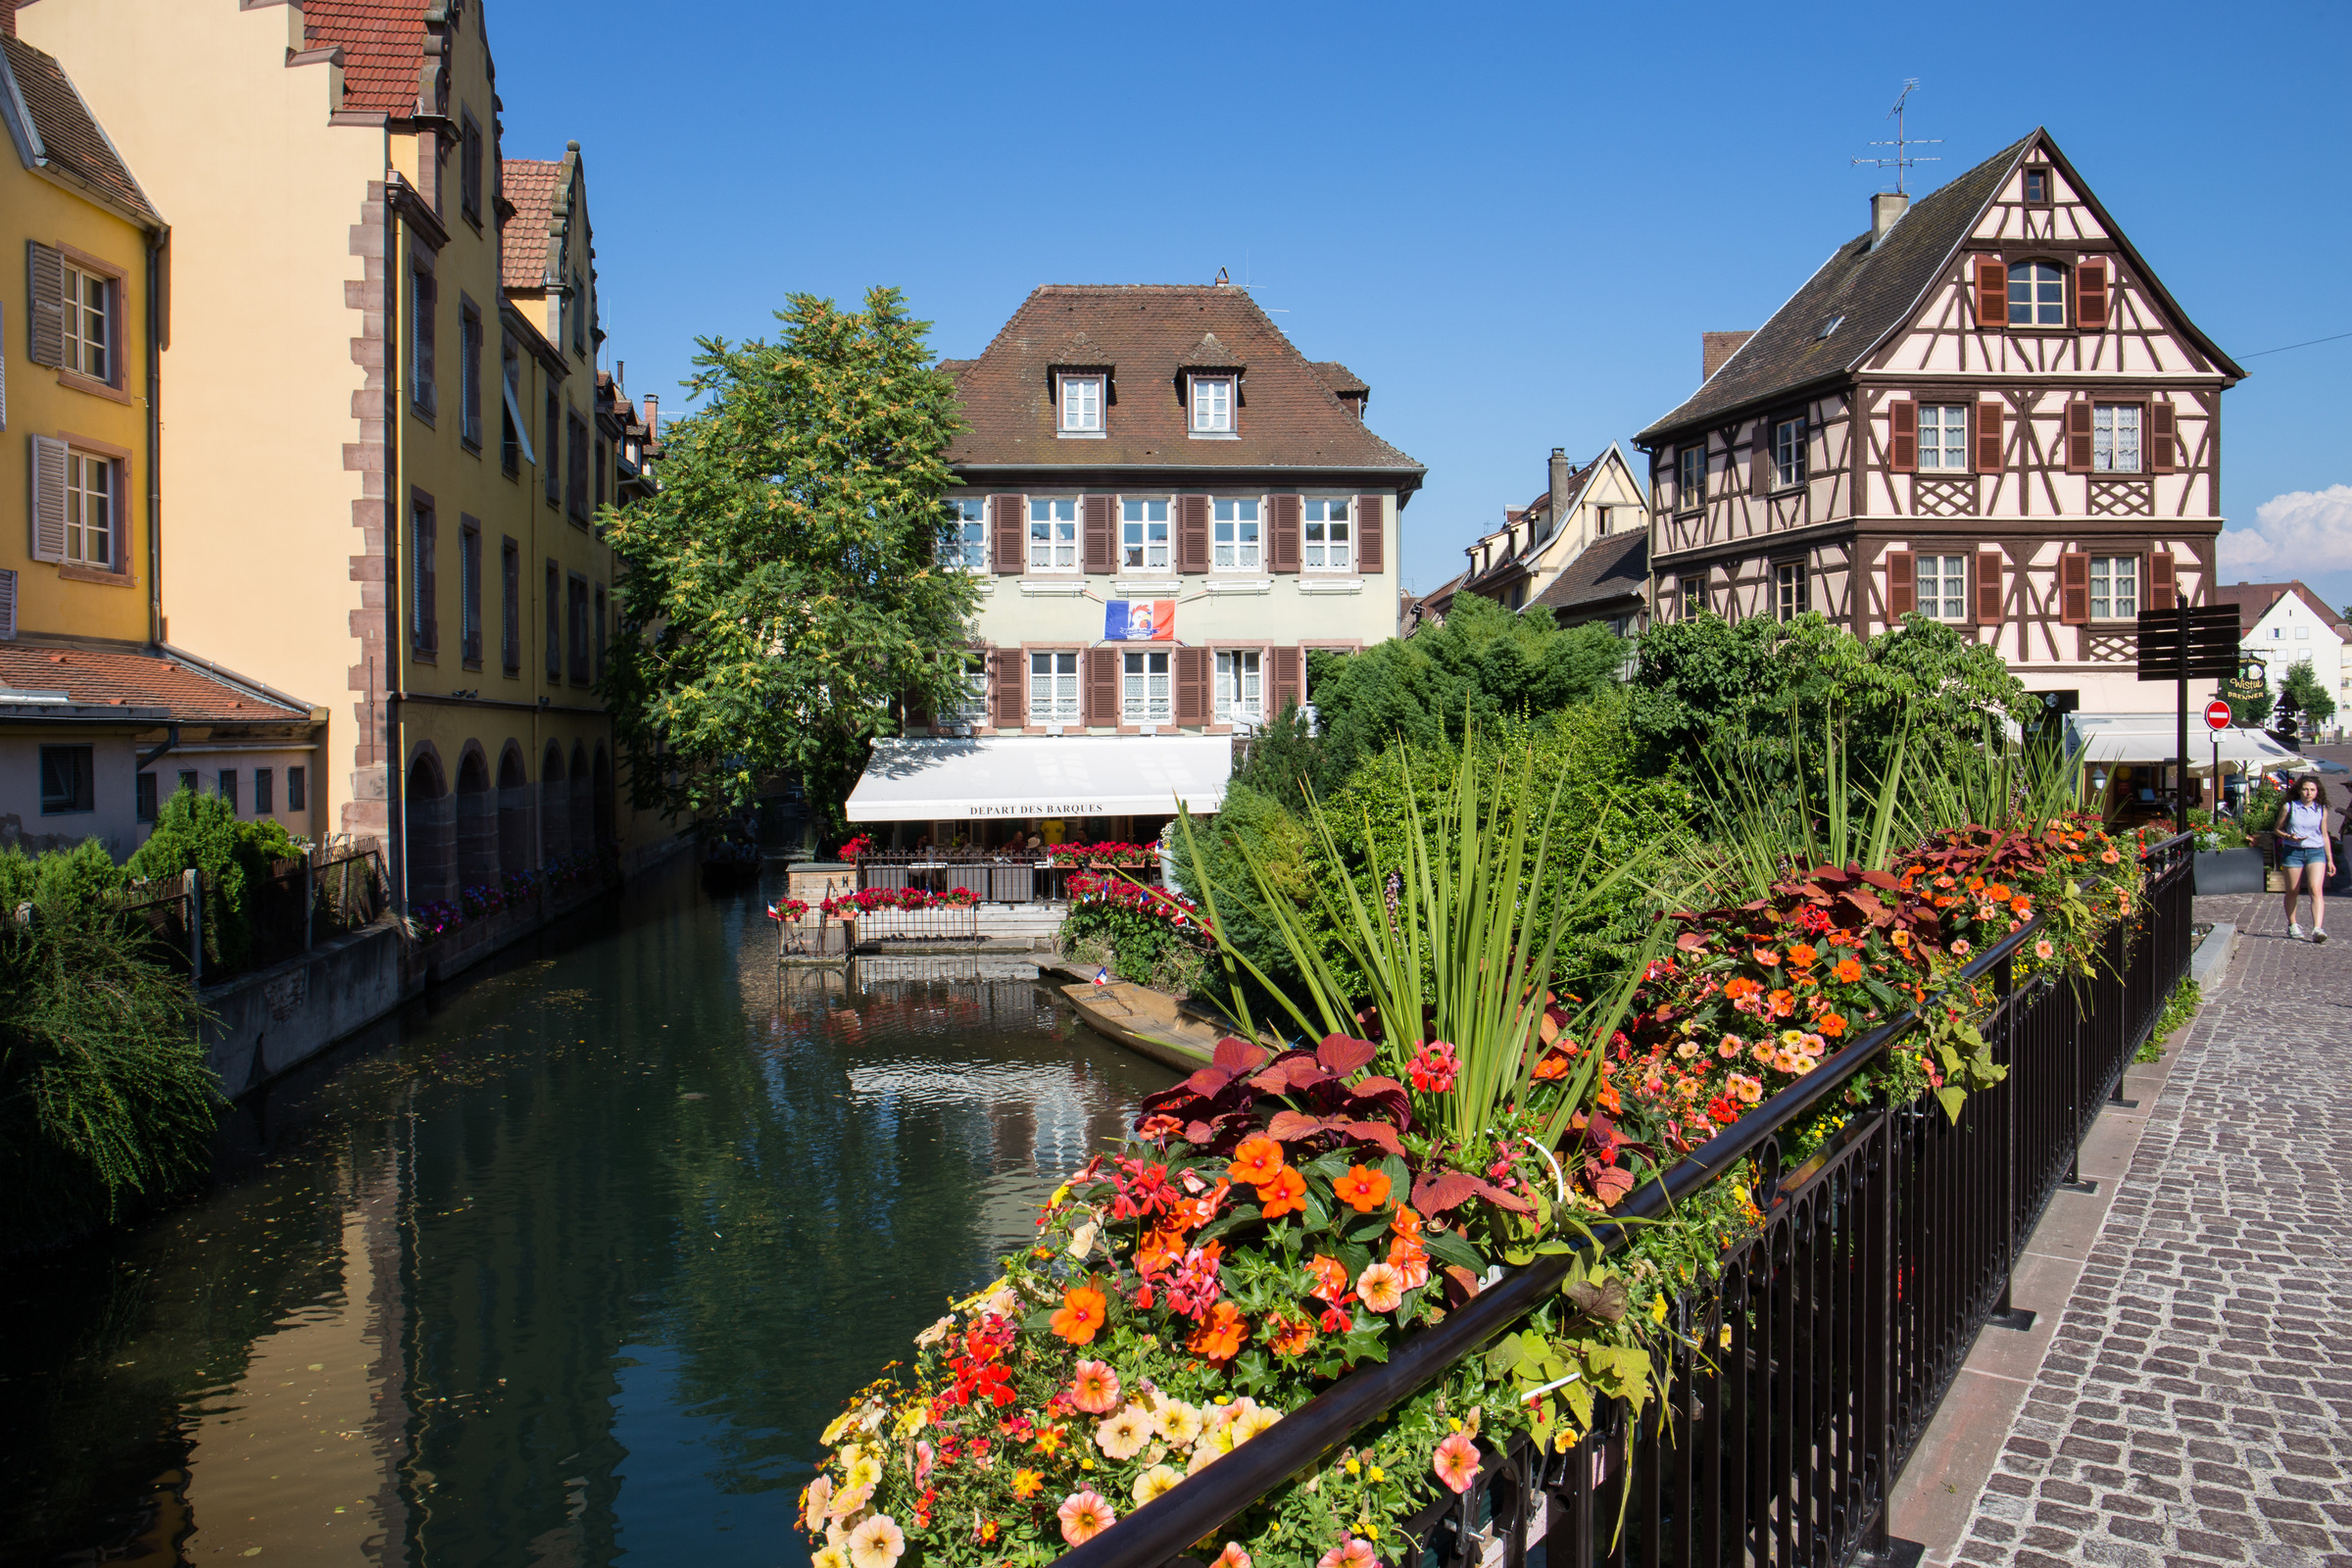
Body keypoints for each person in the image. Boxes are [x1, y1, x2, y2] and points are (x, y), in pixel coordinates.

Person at [2277, 775, 2336, 942]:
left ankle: (2317, 928)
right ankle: (2292, 924)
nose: (2308, 793)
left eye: (2312, 790)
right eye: (2305, 789)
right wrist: (2289, 836)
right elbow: (2277, 829)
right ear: (2299, 790)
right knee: (2293, 890)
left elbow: (2324, 835)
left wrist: (2330, 859)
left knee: (2315, 888)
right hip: (2293, 851)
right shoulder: (2289, 807)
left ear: (2317, 792)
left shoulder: (2321, 809)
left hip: (2315, 851)